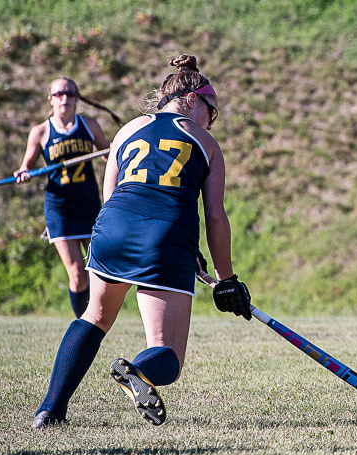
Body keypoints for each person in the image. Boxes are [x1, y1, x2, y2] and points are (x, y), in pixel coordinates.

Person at [32, 54, 252, 429]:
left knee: (95, 317)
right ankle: (138, 371)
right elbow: (215, 215)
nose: (212, 120)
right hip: (165, 235)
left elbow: (111, 197)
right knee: (166, 352)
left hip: (111, 229)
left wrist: (184, 251)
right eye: (212, 111)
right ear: (193, 99)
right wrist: (226, 279)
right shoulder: (205, 142)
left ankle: (50, 410)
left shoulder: (126, 130)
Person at [15, 77, 110, 318]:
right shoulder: (41, 131)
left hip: (89, 206)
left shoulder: (89, 125)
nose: (64, 98)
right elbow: (27, 165)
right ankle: (82, 325)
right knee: (78, 274)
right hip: (60, 210)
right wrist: (23, 173)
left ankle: (97, 318)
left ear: (77, 98)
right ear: (51, 99)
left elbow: (108, 156)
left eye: (69, 93)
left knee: (98, 271)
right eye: (58, 94)